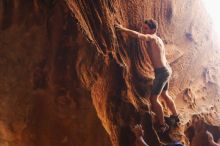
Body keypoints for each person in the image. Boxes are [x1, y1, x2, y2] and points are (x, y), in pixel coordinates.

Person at [115, 19, 179, 132]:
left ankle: (162, 125)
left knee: (153, 99)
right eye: (143, 28)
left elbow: (139, 36)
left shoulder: (152, 37)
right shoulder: (159, 39)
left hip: (161, 72)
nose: (143, 30)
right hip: (166, 70)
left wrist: (122, 29)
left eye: (146, 29)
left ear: (153, 30)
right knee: (164, 94)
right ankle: (175, 116)